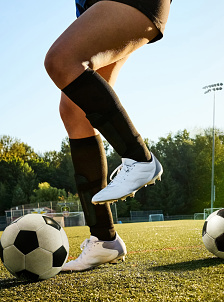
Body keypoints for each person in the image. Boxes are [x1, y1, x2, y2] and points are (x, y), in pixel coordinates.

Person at [44, 0, 171, 271]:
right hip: (93, 5)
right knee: (74, 111)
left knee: (61, 60)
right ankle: (104, 239)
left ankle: (140, 158)